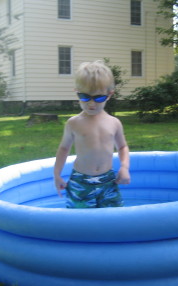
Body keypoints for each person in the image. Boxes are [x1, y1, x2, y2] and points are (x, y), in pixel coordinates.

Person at [53, 60, 130, 208]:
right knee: (79, 221)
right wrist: (57, 175)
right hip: (80, 182)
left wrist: (124, 167)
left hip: (108, 180)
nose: (91, 103)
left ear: (109, 95)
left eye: (98, 97)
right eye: (85, 97)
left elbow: (122, 147)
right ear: (77, 92)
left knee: (114, 218)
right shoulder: (74, 123)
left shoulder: (114, 123)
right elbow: (63, 149)